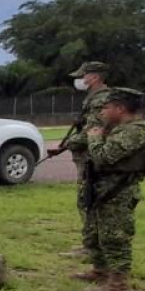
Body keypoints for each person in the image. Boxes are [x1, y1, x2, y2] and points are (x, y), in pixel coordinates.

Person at [74, 87, 145, 291]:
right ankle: (100, 270)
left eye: (107, 107)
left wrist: (94, 138)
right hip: (101, 190)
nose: (102, 112)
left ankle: (117, 285)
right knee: (94, 233)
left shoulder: (135, 132)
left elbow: (104, 156)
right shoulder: (115, 128)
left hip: (118, 192)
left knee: (115, 237)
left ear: (120, 108)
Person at [47, 61, 111, 260]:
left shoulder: (100, 99)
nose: (81, 80)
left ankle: (93, 248)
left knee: (88, 200)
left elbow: (92, 132)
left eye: (84, 76)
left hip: (92, 157)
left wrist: (65, 146)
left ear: (94, 77)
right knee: (88, 199)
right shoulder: (95, 97)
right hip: (90, 154)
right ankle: (91, 244)